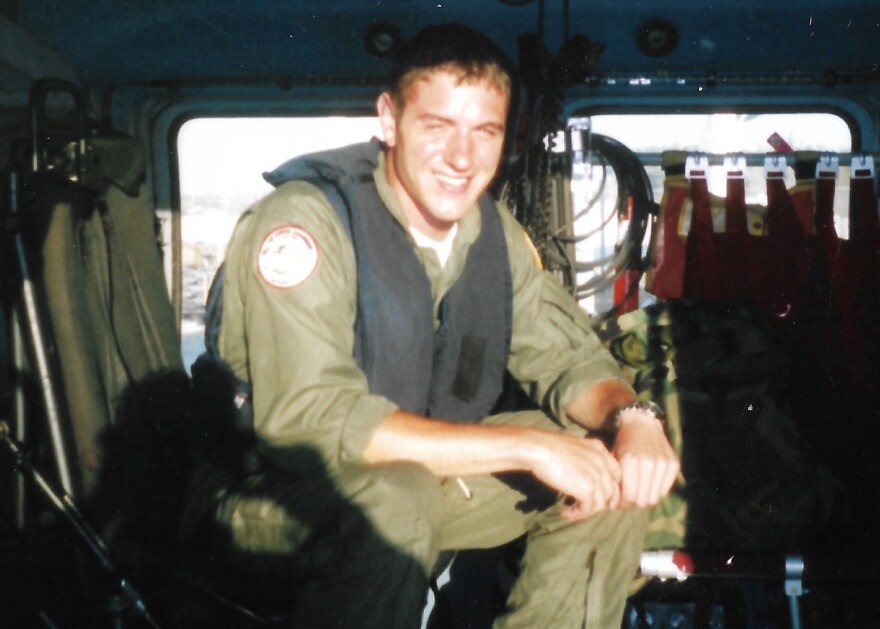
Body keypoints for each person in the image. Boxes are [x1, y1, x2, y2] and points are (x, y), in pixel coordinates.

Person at [192, 22, 679, 629]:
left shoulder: (490, 233)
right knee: (399, 499)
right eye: (437, 126)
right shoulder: (307, 223)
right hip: (263, 497)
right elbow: (313, 420)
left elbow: (568, 358)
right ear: (390, 121)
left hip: (411, 482)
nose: (461, 158)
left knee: (604, 467)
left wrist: (633, 419)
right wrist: (528, 446)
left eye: (485, 132)